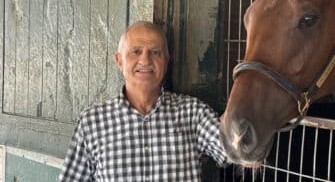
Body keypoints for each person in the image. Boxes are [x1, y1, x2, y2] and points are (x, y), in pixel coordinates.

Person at [58, 21, 227, 181]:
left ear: (166, 61)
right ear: (119, 61)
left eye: (155, 52)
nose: (145, 60)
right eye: (136, 52)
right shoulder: (92, 123)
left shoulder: (193, 113)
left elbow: (233, 150)